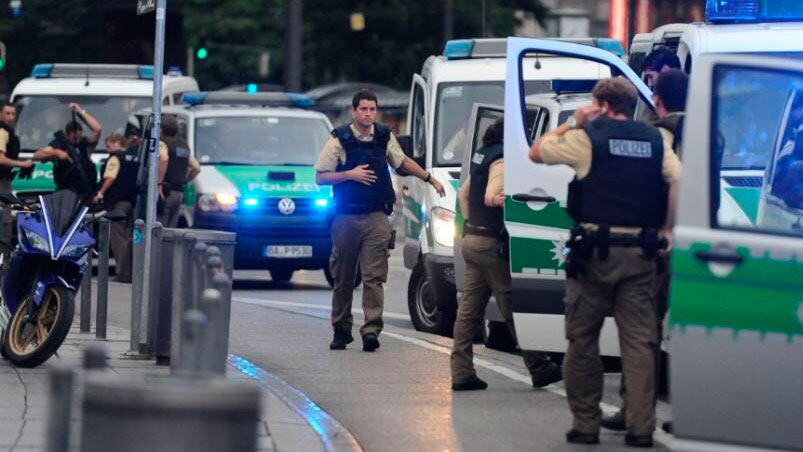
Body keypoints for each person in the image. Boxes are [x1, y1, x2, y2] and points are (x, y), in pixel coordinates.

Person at [530, 78, 681, 448]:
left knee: (582, 338)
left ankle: (586, 424)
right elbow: (678, 179)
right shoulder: (655, 140)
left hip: (595, 253)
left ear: (600, 104)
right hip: (641, 252)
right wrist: (666, 229)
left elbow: (537, 152)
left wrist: (573, 121)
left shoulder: (588, 137)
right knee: (641, 342)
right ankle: (641, 427)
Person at [316, 89, 446, 352]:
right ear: (354, 111)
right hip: (346, 216)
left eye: (372, 109)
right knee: (343, 277)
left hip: (376, 216)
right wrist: (350, 175)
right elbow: (320, 177)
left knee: (374, 277)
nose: (368, 114)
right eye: (363, 109)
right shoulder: (338, 140)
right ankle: (341, 328)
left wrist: (429, 178)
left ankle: (371, 330)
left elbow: (403, 162)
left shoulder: (384, 137)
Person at [602, 69, 689, 435]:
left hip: (660, 244)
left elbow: (664, 183)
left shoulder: (661, 134)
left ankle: (634, 410)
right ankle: (692, 411)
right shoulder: (708, 131)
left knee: (642, 330)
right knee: (691, 331)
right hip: (700, 244)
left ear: (658, 99)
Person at [451, 119, 562, 391]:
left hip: (473, 240)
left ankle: (462, 372)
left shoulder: (482, 155)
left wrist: (471, 225)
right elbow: (491, 195)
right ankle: (539, 367)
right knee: (512, 305)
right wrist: (499, 201)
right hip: (489, 245)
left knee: (469, 311)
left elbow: (463, 195)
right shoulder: (500, 158)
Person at [33, 103, 102, 201]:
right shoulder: (59, 143)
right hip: (67, 191)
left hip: (86, 190)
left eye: (79, 137)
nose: (77, 140)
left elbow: (97, 129)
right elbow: (37, 155)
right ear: (67, 134)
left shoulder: (83, 143)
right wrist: (56, 153)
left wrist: (80, 111)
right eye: (74, 138)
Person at [94, 133, 139, 283]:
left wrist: (100, 193)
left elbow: (110, 178)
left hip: (117, 202)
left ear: (116, 142)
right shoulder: (133, 157)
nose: (108, 150)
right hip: (131, 202)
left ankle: (123, 273)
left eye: (108, 146)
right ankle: (129, 271)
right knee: (128, 237)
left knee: (118, 239)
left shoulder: (115, 158)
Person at [157, 115, 200, 227]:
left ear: (161, 129)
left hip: (165, 192)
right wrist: (185, 180)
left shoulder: (163, 143)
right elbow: (196, 168)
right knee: (171, 229)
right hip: (179, 192)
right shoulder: (184, 145)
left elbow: (164, 158)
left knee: (159, 228)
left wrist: (159, 183)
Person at [0, 103, 34, 243]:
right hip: (1, 183)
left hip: (5, 181)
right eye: (7, 113)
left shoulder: (9, 132)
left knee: (5, 221)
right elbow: (1, 158)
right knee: (4, 222)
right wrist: (23, 164)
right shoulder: (2, 133)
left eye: (13, 114)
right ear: (1, 114)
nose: (11, 117)